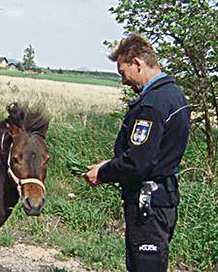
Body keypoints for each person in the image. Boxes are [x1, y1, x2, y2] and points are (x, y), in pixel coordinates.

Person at [84, 33, 191, 272]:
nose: (124, 81)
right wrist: (111, 162)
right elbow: (153, 153)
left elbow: (138, 163)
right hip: (163, 198)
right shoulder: (174, 95)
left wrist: (103, 173)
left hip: (148, 204)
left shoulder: (152, 105)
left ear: (138, 64)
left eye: (123, 72)